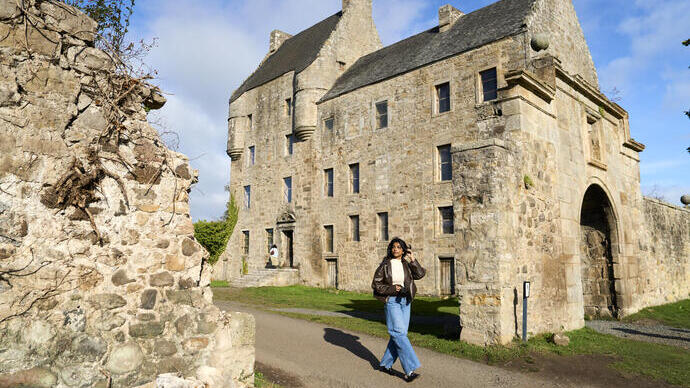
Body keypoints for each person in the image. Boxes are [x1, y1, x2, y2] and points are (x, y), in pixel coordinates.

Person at [371, 237, 426, 382]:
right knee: (399, 333)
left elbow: (419, 274)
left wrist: (413, 259)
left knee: (399, 334)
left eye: (398, 247)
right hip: (393, 302)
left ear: (403, 250)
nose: (395, 249)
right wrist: (391, 289)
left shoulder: (407, 264)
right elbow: (376, 284)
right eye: (393, 247)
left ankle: (385, 364)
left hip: (405, 301)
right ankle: (410, 370)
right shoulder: (385, 265)